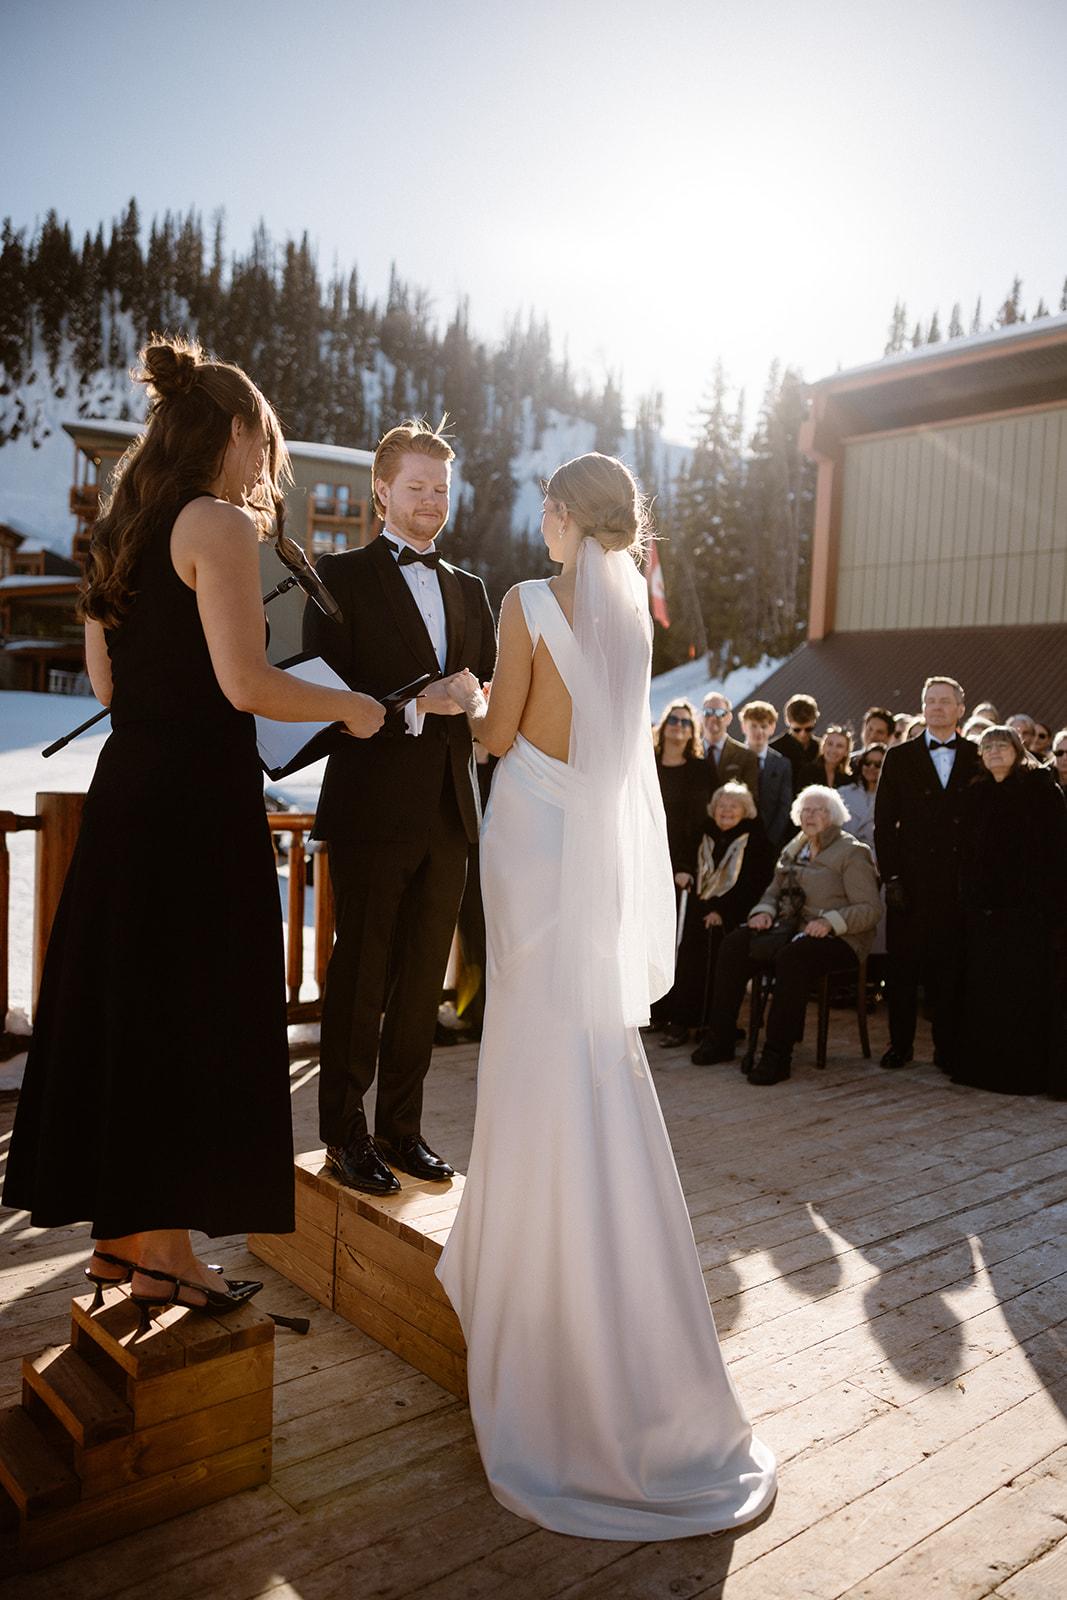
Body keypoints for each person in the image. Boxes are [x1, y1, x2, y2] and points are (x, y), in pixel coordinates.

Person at [3, 337, 387, 1320]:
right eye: (263, 443)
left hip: (131, 791)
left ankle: (124, 1243)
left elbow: (105, 685)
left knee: (136, 1013)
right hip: (196, 807)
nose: (266, 464)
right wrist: (349, 711)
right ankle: (166, 1255)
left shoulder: (120, 535)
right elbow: (244, 684)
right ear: (232, 433)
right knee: (191, 1016)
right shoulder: (216, 524)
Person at [436, 452, 776, 1539]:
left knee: (527, 1046)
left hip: (529, 838)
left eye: (544, 504)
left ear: (568, 519)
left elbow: (496, 737)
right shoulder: (631, 623)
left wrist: (467, 694)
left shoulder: (528, 601)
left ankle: (529, 1277)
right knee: (580, 1046)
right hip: (575, 841)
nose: (534, 519)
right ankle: (581, 1259)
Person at [303, 418, 498, 1196]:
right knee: (360, 973)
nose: (430, 502)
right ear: (380, 490)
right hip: (370, 807)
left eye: (440, 489)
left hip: (451, 812)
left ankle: (401, 1128)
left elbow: (483, 692)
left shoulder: (471, 589)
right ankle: (343, 1133)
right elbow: (320, 695)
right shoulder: (338, 576)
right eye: (416, 487)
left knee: (423, 979)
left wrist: (478, 704)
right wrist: (420, 699)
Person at [698, 786, 880, 1084]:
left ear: (833, 817)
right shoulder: (796, 845)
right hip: (791, 929)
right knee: (734, 944)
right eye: (805, 810)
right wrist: (763, 911)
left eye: (818, 810)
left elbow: (870, 909)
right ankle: (721, 1039)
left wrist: (831, 922)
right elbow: (773, 890)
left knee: (792, 960)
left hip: (842, 939)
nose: (810, 816)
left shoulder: (852, 851)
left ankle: (776, 1056)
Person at [874, 675, 981, 1073]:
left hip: (957, 885)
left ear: (960, 709)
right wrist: (893, 878)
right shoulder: (899, 757)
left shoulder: (976, 755)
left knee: (950, 971)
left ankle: (947, 1049)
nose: (936, 707)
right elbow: (884, 824)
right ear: (922, 708)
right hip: (911, 886)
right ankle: (899, 1046)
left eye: (944, 701)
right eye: (930, 701)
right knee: (903, 970)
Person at [955, 726, 1067, 1094]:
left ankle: (1025, 1075)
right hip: (986, 915)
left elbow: (1053, 853)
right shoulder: (975, 794)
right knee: (989, 994)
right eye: (987, 747)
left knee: (1025, 995)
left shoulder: (1040, 790)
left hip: (1027, 914)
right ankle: (988, 1072)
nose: (994, 752)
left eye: (1002, 746)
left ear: (1018, 752)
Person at [685, 783, 774, 1063]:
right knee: (688, 952)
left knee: (715, 951)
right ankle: (682, 1019)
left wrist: (721, 910)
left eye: (733, 806)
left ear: (745, 811)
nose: (726, 811)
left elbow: (753, 885)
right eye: (722, 806)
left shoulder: (756, 841)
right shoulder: (703, 832)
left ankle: (712, 1025)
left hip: (733, 914)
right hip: (697, 908)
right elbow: (688, 863)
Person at [652, 699, 712, 1045]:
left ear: (693, 732)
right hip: (647, 861)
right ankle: (655, 1010)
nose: (678, 726)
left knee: (677, 944)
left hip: (680, 868)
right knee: (647, 936)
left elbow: (699, 823)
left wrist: (686, 867)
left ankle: (678, 1015)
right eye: (673, 720)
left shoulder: (700, 769)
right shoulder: (648, 764)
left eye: (686, 723)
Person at [741, 699, 793, 851]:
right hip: (738, 841)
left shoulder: (782, 764)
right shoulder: (735, 758)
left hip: (770, 843)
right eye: (754, 726)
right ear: (744, 727)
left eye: (764, 726)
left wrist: (770, 839)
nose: (759, 732)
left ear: (772, 728)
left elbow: (784, 806)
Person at [701, 691, 758, 797]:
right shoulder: (690, 753)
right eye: (707, 712)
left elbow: (751, 799)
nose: (713, 717)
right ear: (701, 716)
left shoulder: (746, 756)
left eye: (719, 713)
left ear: (729, 718)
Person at [771, 693, 819, 792]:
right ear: (788, 722)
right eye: (797, 730)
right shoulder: (774, 750)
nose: (803, 734)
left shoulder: (822, 748)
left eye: (809, 729)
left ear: (815, 721)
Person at [799, 724, 853, 790]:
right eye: (830, 744)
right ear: (823, 747)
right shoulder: (808, 772)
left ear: (846, 752)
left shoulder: (848, 780)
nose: (833, 750)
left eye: (839, 746)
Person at [849, 707, 895, 777]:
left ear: (889, 737)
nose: (873, 735)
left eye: (879, 732)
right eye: (870, 729)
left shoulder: (893, 765)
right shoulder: (848, 762)